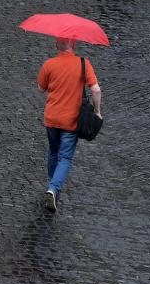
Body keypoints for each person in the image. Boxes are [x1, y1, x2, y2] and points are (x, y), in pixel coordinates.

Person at [37, 37, 102, 212]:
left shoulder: (49, 64)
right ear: (73, 44)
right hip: (71, 121)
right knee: (65, 157)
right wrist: (97, 111)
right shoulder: (83, 63)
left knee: (53, 151)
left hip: (51, 118)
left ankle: (52, 181)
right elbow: (95, 89)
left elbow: (41, 88)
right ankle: (53, 188)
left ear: (57, 45)